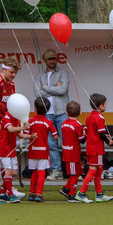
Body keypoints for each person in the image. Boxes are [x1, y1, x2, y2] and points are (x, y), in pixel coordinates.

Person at [0, 56, 21, 199]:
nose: (13, 75)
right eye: (11, 72)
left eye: (15, 72)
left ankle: (4, 189)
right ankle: (3, 189)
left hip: (6, 126)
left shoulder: (11, 84)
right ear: (3, 69)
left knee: (0, 157)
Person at [35, 49, 70, 179]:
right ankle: (57, 171)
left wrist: (45, 88)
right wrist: (56, 87)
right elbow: (37, 93)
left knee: (67, 143)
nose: (52, 61)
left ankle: (71, 171)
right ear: (45, 60)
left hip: (61, 113)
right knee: (51, 145)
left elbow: (63, 90)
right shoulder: (39, 76)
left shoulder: (63, 73)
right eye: (49, 59)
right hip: (47, 115)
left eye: (54, 58)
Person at [75, 93, 113, 203]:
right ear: (101, 106)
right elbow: (101, 134)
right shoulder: (100, 117)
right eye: (105, 104)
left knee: (99, 170)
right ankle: (82, 193)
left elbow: (89, 131)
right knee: (93, 170)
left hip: (91, 147)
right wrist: (109, 141)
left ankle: (99, 194)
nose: (106, 106)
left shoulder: (89, 116)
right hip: (96, 148)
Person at [26, 97, 59, 202]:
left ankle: (31, 193)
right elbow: (55, 136)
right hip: (43, 151)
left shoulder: (30, 121)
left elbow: (26, 134)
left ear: (35, 109)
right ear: (48, 110)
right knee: (41, 172)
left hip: (33, 150)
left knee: (34, 172)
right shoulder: (48, 122)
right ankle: (39, 194)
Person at [0, 104, 29, 202]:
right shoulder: (6, 117)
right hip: (4, 149)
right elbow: (10, 129)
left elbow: (19, 135)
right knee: (8, 171)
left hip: (11, 149)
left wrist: (31, 136)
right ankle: (10, 194)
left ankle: (2, 192)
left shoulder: (16, 119)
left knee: (13, 173)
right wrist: (23, 128)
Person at [59, 101, 85, 201]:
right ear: (79, 113)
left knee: (78, 171)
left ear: (67, 112)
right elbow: (82, 139)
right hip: (73, 153)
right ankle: (72, 194)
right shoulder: (78, 125)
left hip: (66, 151)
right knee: (74, 174)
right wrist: (84, 132)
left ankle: (66, 188)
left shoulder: (64, 123)